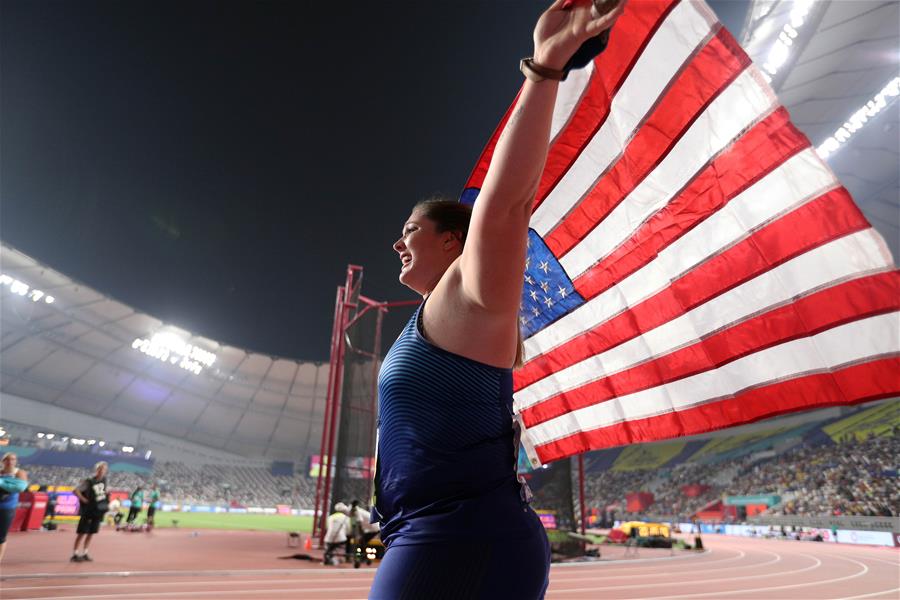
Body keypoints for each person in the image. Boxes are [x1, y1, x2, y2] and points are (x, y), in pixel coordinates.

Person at [368, 2, 624, 597]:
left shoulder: (470, 295)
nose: (396, 241)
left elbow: (505, 206)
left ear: (456, 242)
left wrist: (545, 66)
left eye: (410, 229)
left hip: (460, 538)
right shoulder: (438, 318)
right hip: (439, 532)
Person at [72, 461, 109, 562]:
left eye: (104, 470)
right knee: (82, 532)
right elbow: (76, 490)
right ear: (97, 470)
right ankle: (75, 554)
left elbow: (103, 493)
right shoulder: (89, 481)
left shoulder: (105, 480)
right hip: (88, 511)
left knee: (91, 533)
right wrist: (84, 500)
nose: (102, 471)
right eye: (101, 469)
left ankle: (85, 553)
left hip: (97, 511)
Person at [0, 453, 29, 563]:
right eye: (7, 459)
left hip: (7, 508)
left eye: (12, 459)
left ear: (16, 461)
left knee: (1, 536)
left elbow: (19, 487)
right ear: (3, 461)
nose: (10, 461)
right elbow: (11, 486)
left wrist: (1, 482)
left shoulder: (19, 473)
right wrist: (6, 483)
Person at [348, 499, 380, 567]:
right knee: (361, 543)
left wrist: (360, 534)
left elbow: (359, 523)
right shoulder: (353, 510)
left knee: (361, 542)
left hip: (374, 528)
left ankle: (361, 558)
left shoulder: (357, 512)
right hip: (369, 529)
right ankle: (364, 558)